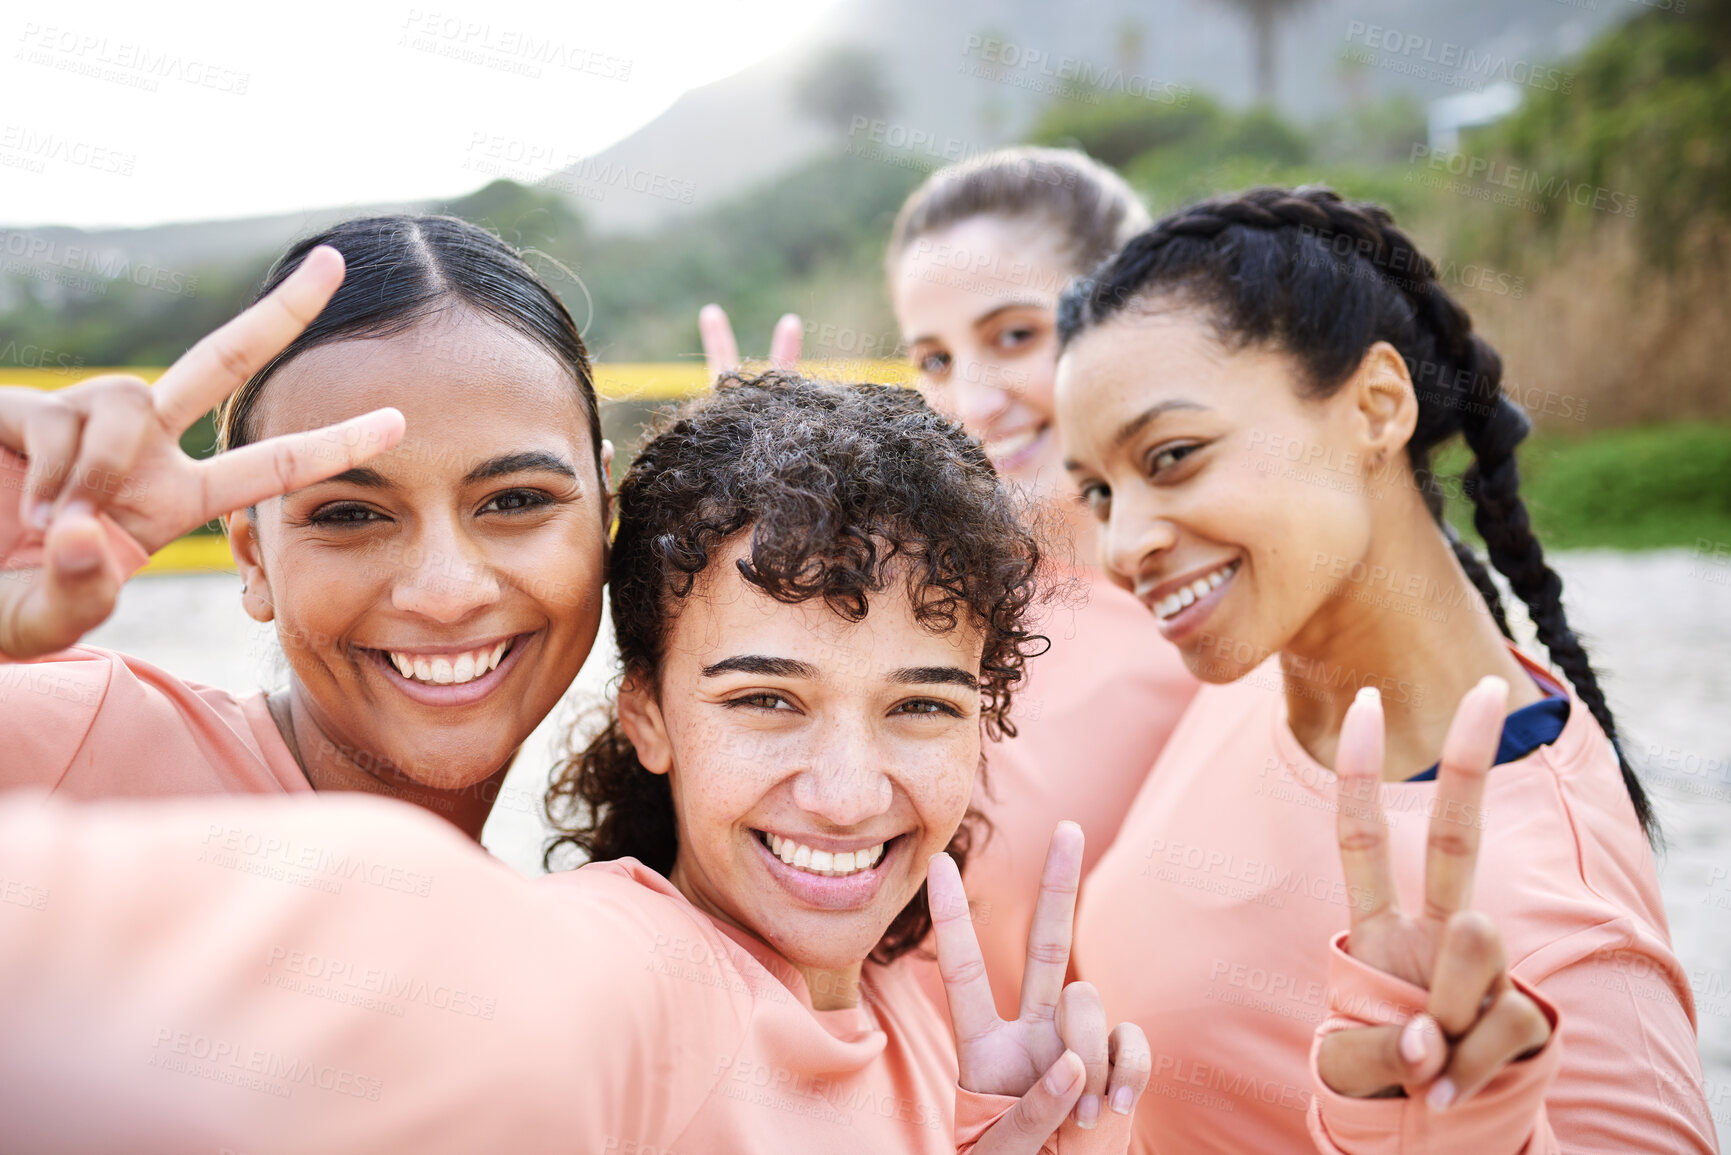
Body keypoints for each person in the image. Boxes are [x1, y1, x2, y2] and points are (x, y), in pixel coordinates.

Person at [0, 373, 1149, 1154]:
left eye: (921, 707)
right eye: (764, 699)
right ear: (645, 714)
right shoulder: (649, 979)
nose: (848, 794)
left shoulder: (926, 1004)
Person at [1056, 186, 1714, 1152]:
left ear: (1376, 406)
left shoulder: (1542, 908)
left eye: (1173, 455)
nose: (1124, 543)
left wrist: (1466, 1133)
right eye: (1099, 491)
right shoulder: (1258, 661)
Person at [705, 147, 1199, 1018]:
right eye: (933, 360)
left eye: (1015, 335)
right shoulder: (909, 600)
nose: (972, 397)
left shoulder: (1222, 636)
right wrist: (738, 540)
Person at [0, 215, 611, 838]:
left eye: (514, 502)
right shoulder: (79, 745)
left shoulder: (614, 900)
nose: (446, 595)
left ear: (608, 512)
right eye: (349, 515)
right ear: (253, 556)